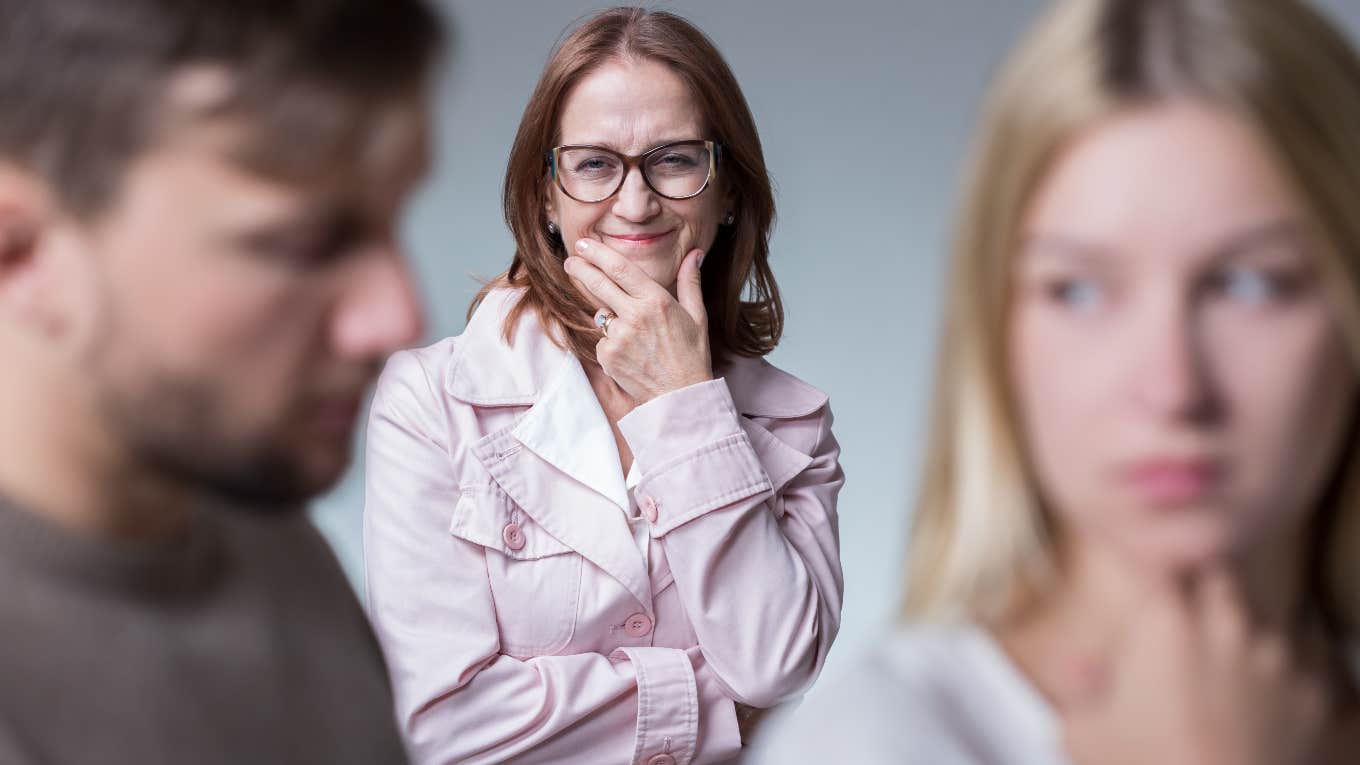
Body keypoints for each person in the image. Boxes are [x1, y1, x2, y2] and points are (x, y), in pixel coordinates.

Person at [755, 0, 1360, 763]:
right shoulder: (877, 741)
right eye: (1078, 289)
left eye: (1250, 283)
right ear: (996, 326)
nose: (1173, 389)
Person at [363, 7, 846, 764]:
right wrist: (705, 705)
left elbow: (774, 662)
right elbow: (440, 727)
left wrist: (684, 402)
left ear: (725, 194)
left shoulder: (792, 423)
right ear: (547, 197)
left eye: (675, 159)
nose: (635, 202)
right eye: (594, 163)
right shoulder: (430, 402)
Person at [0, 0, 443, 762]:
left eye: (389, 223)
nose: (399, 318)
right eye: (305, 242)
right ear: (23, 251)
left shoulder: (272, 538)